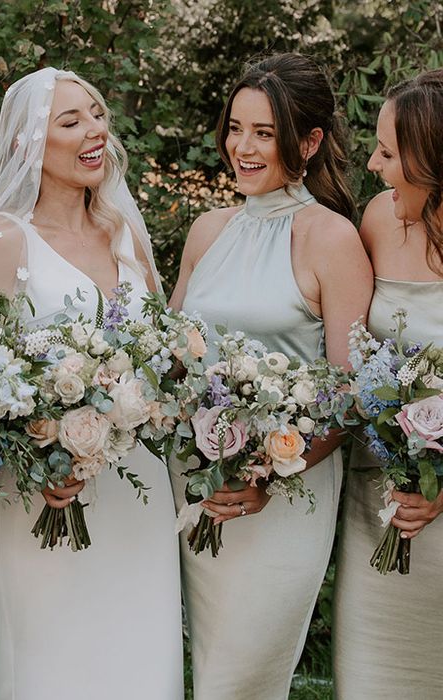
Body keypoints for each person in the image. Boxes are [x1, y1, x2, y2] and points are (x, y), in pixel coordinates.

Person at [0, 66, 183, 700]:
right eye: (70, 120)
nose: (95, 131)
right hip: (44, 495)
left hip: (136, 491)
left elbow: (164, 356)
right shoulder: (0, 242)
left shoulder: (124, 231)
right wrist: (45, 453)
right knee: (53, 662)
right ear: (30, 142)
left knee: (141, 658)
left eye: (96, 114)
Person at [168, 53, 373, 699]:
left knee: (243, 679)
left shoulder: (331, 238)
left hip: (285, 495)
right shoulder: (206, 231)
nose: (243, 148)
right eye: (236, 128)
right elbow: (170, 356)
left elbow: (350, 392)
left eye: (264, 132)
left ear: (308, 142)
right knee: (208, 671)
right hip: (199, 484)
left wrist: (268, 473)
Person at [333, 69, 443, 699]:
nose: (373, 164)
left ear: (429, 158)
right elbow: (357, 358)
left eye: (388, 152)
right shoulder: (379, 218)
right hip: (379, 504)